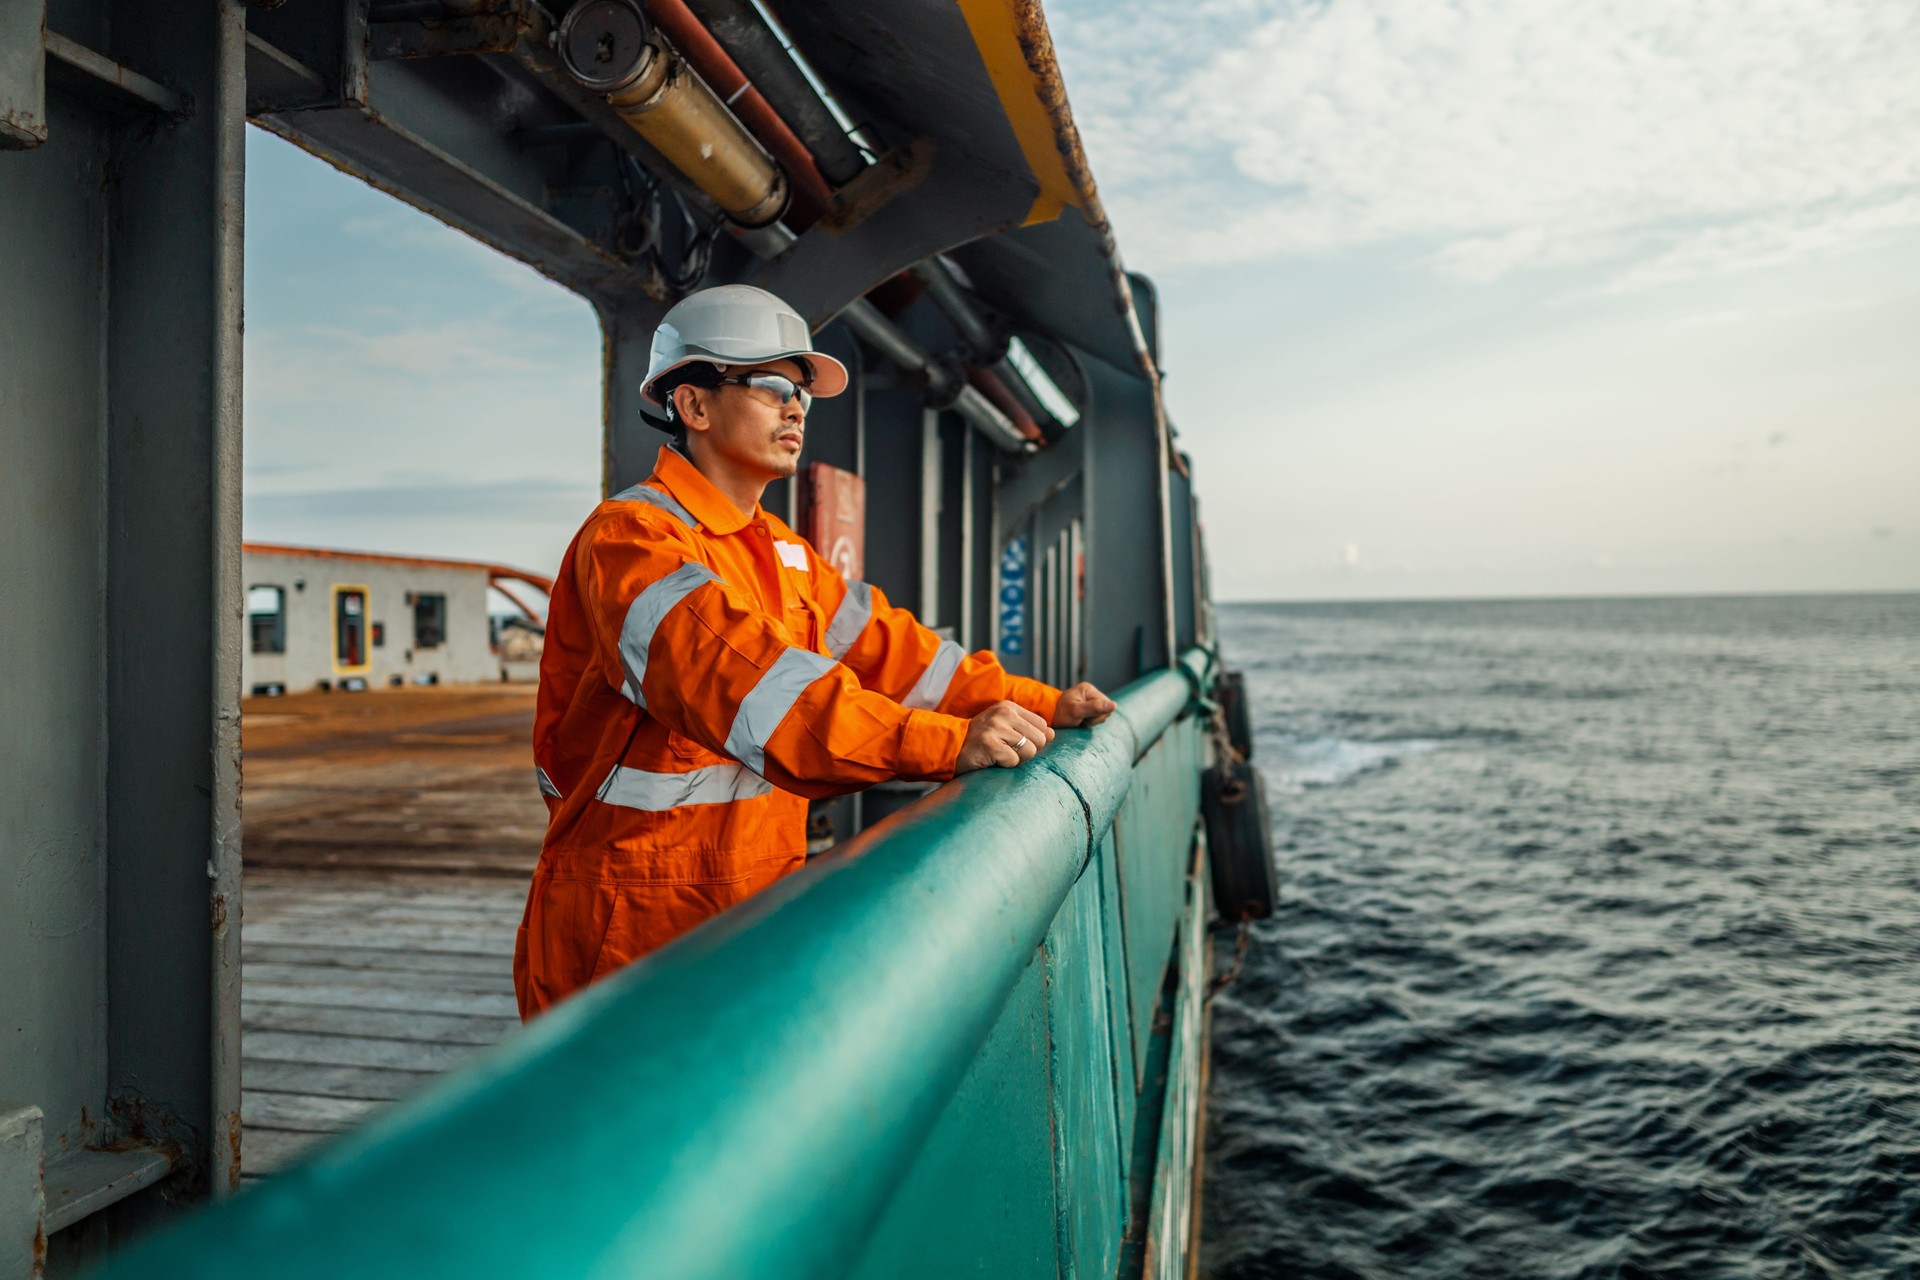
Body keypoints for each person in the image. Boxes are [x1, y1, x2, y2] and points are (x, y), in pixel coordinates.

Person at [513, 284, 1116, 1019]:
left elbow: (906, 659)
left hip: (751, 908)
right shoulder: (632, 544)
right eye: (770, 385)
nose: (797, 407)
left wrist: (1043, 703)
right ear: (693, 406)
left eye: (801, 391)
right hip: (632, 929)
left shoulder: (784, 555)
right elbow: (758, 696)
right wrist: (951, 744)